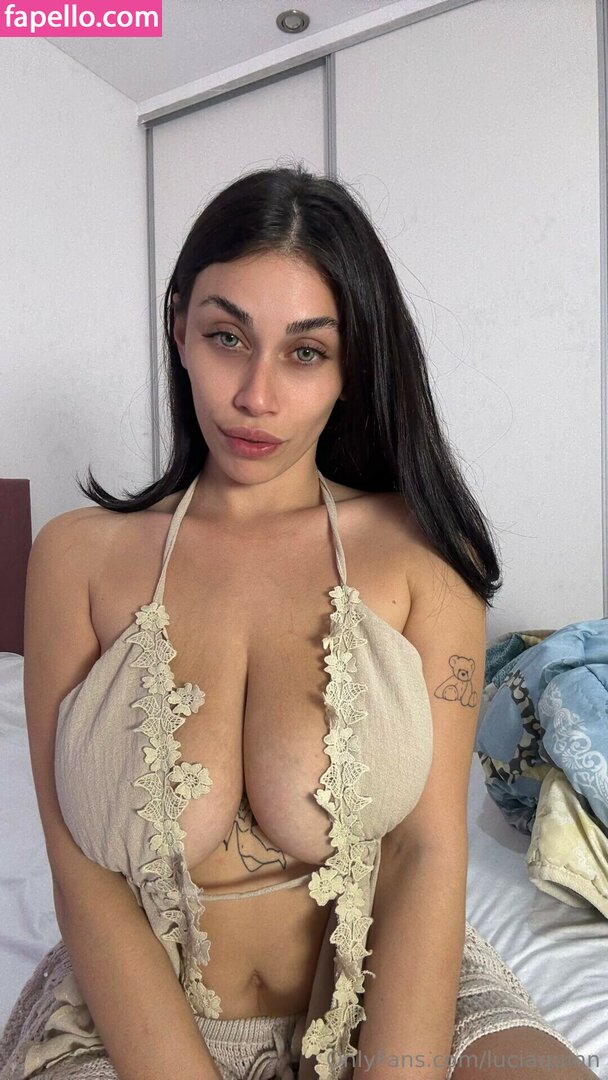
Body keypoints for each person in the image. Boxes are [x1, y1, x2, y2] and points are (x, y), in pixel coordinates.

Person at [0, 164, 597, 1080]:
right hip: (129, 1018)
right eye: (227, 337)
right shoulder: (76, 557)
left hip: (388, 981)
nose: (257, 395)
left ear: (352, 366)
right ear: (180, 330)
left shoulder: (423, 554)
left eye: (306, 352)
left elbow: (425, 853)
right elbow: (83, 877)